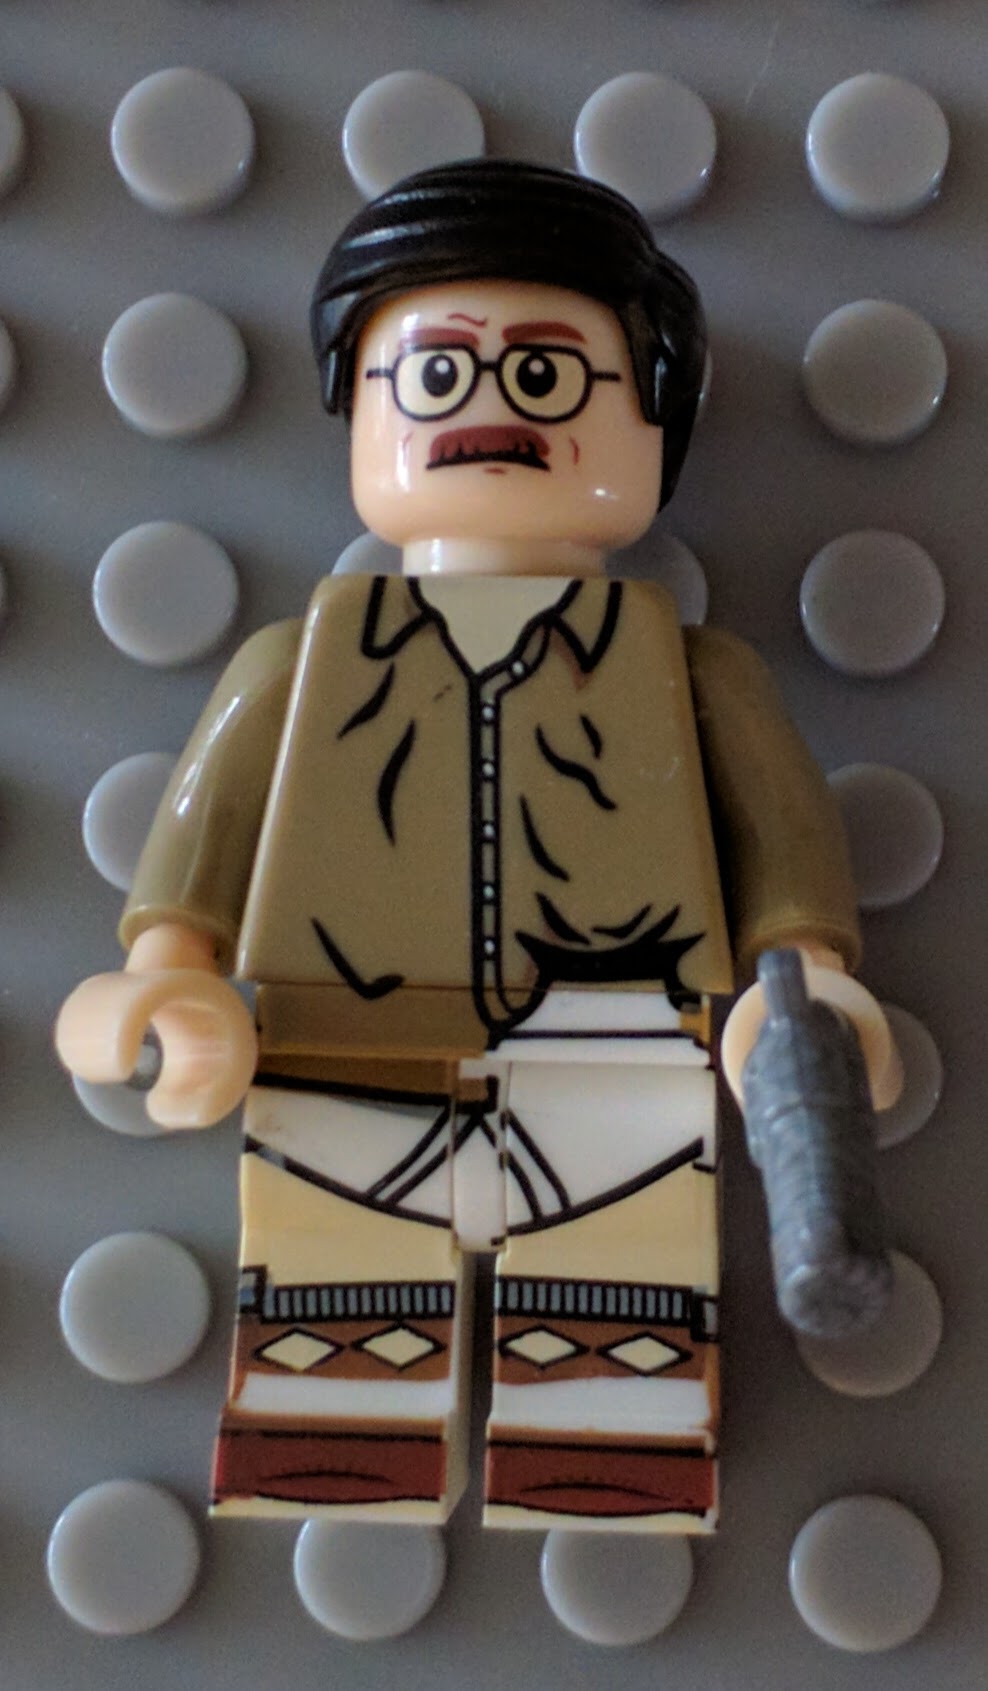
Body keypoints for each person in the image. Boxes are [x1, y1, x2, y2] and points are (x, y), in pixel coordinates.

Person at [57, 160, 899, 1540]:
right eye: (432, 375)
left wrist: (804, 988)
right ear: (358, 410)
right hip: (342, 1042)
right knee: (334, 1340)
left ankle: (604, 1460)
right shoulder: (300, 664)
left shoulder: (696, 676)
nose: (489, 410)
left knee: (614, 1340)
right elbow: (208, 829)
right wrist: (169, 967)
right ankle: (342, 1455)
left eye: (550, 377)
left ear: (655, 419)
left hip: (620, 1043)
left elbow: (784, 850)